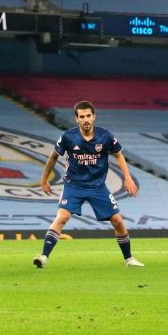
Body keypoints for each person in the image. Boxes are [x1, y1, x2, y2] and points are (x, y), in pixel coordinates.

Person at [34, 100, 143, 268]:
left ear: (94, 117)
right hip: (74, 186)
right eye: (82, 116)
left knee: (118, 221)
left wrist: (127, 177)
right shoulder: (68, 137)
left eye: (88, 116)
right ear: (77, 119)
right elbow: (53, 157)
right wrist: (44, 179)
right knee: (62, 217)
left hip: (98, 187)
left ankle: (129, 259)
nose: (85, 119)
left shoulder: (105, 136)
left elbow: (119, 155)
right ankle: (43, 257)